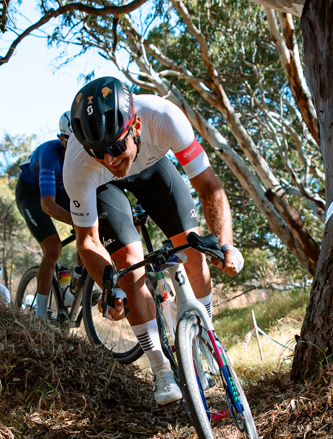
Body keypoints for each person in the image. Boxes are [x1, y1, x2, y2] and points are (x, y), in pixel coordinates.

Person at [65, 77, 243, 405]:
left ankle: (205, 334)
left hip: (152, 167)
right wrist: (109, 287)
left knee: (192, 247)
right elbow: (87, 241)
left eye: (115, 147)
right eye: (98, 153)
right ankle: (161, 368)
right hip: (105, 189)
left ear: (136, 126)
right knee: (129, 271)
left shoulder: (164, 117)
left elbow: (209, 187)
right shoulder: (78, 166)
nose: (109, 160)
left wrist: (225, 243)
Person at [14, 112, 74, 319]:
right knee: (53, 248)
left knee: (90, 230)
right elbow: (47, 205)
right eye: (72, 143)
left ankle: (75, 286)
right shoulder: (50, 153)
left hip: (60, 189)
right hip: (31, 193)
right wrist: (77, 220)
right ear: (62, 139)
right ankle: (40, 315)